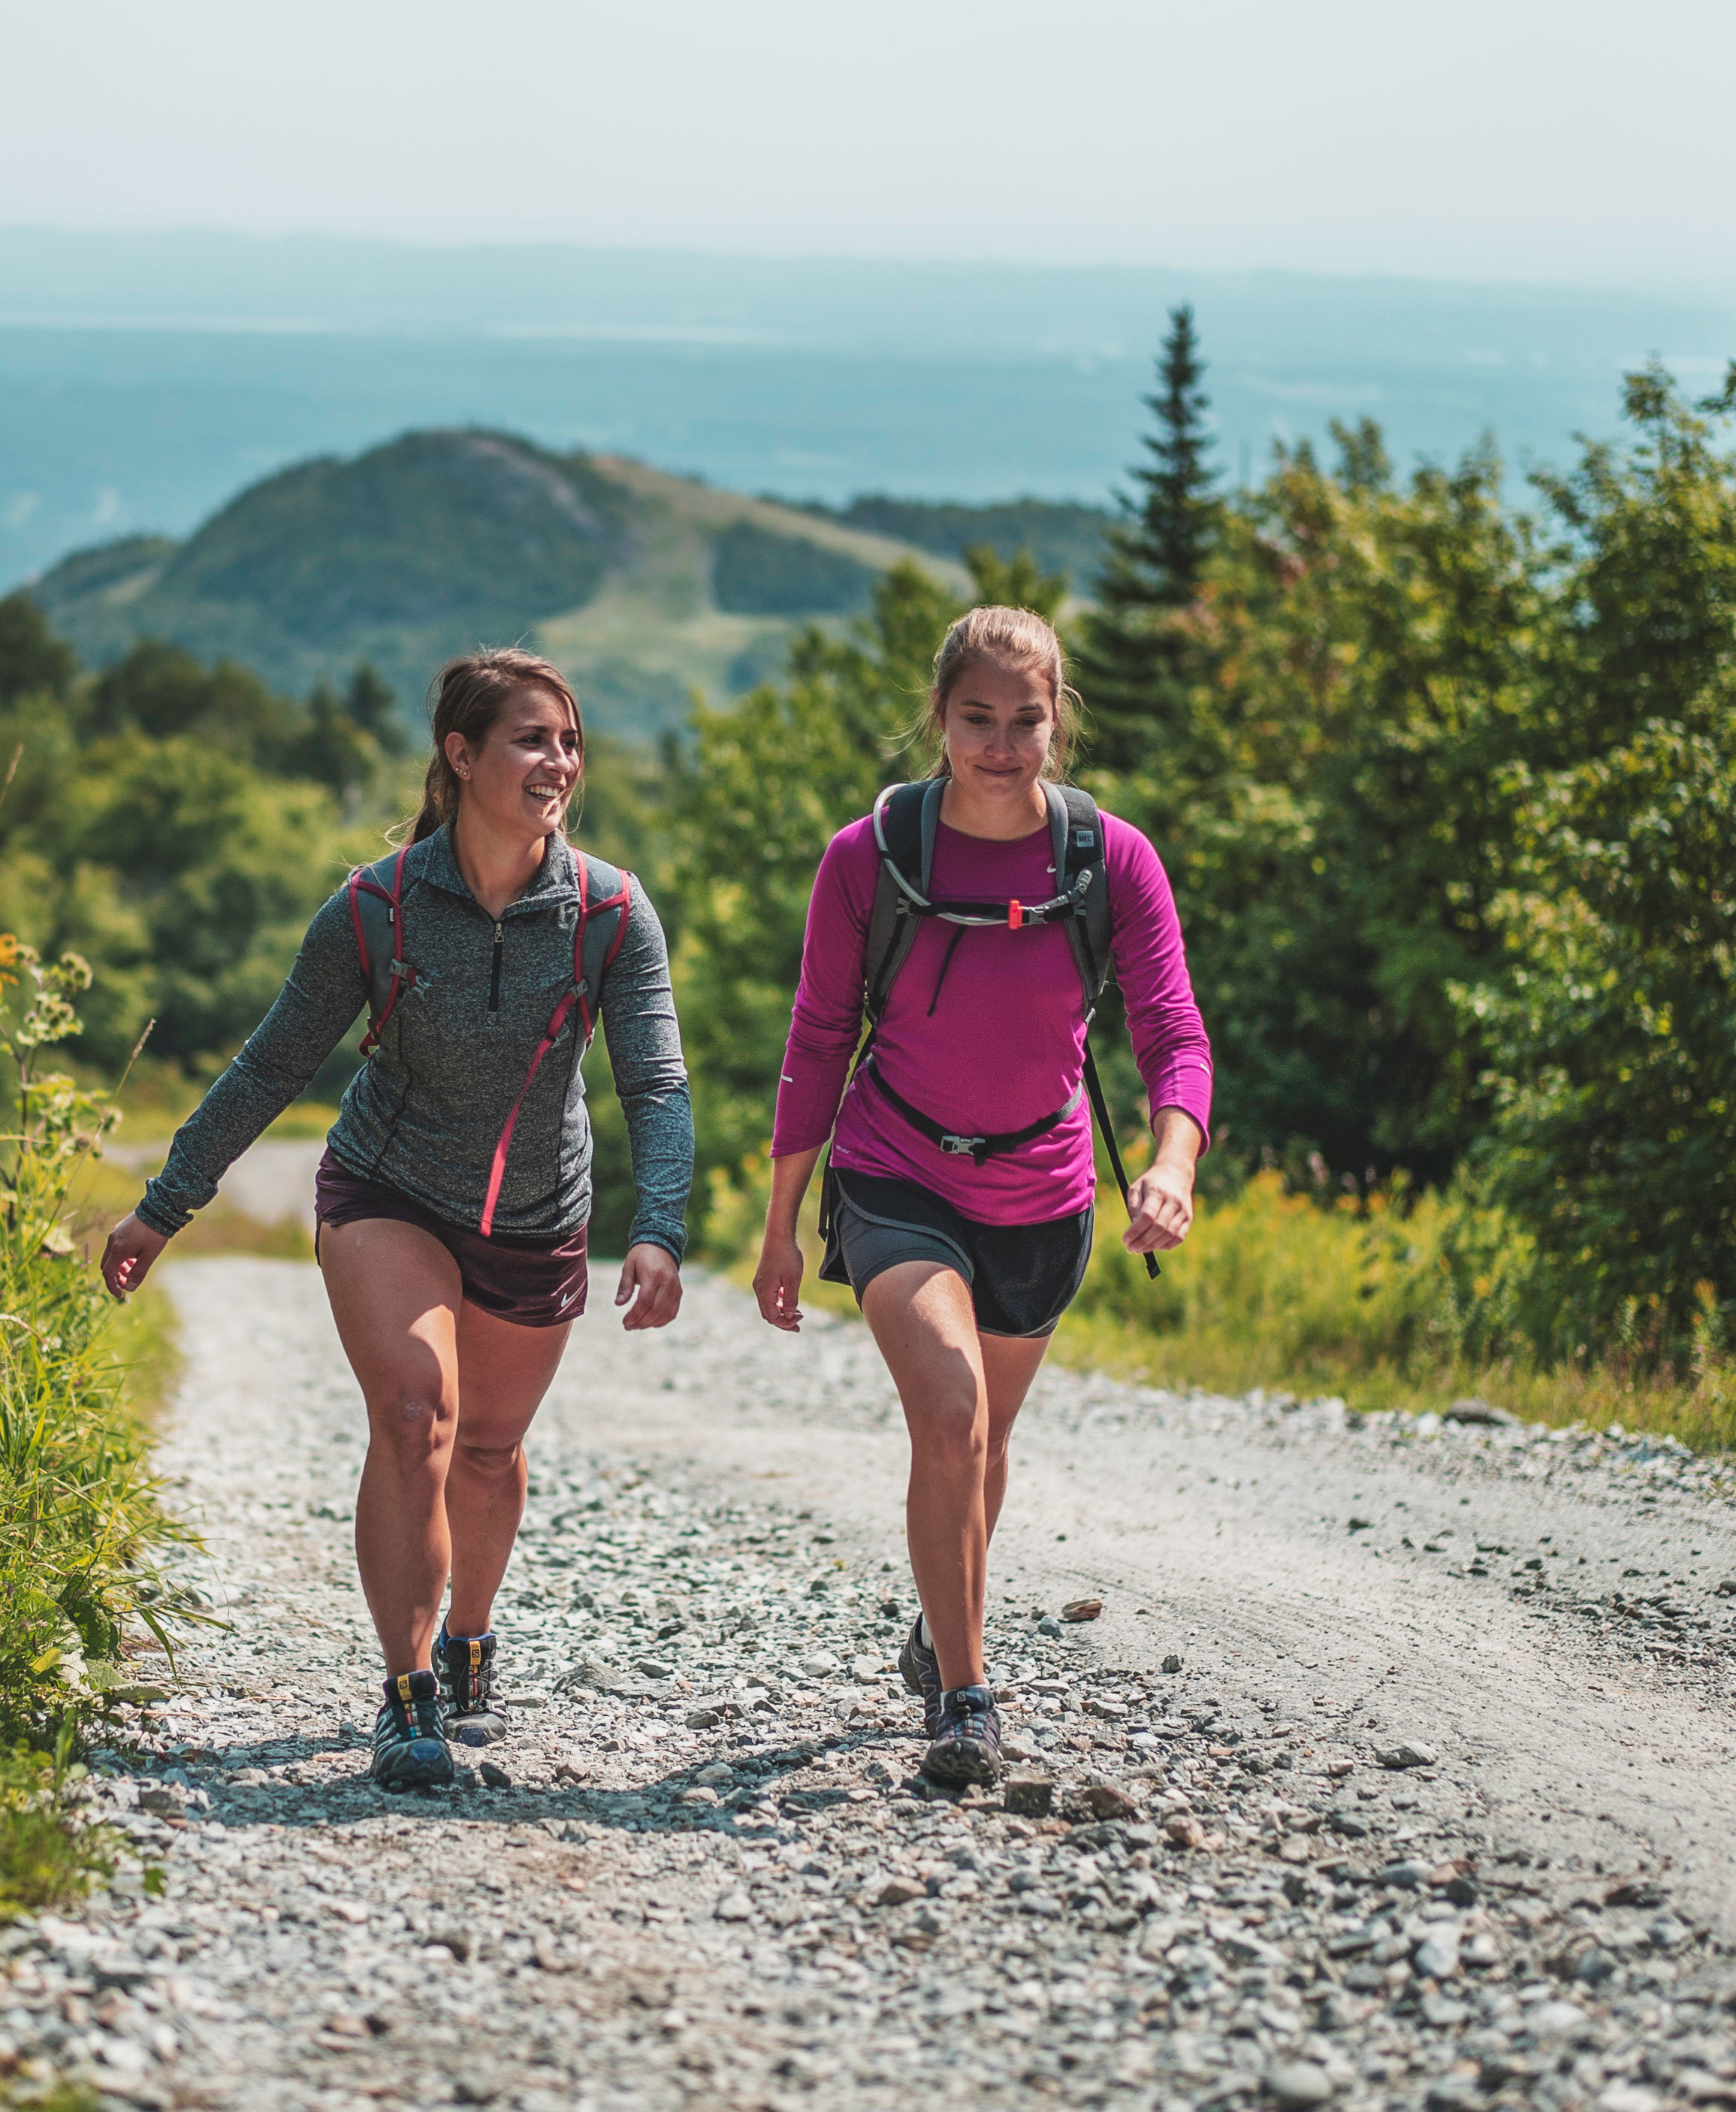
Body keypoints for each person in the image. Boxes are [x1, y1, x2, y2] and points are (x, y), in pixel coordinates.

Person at [101, 649, 693, 1792]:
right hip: (389, 1189)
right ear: (461, 757)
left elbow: (656, 1085)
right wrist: (162, 1207)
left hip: (538, 1211)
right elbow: (271, 1066)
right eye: (531, 739)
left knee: (488, 1449)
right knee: (419, 1416)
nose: (557, 761)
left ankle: (471, 1634)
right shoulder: (374, 911)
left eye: (569, 741)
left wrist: (657, 1224)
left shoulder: (612, 913)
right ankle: (407, 1685)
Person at [751, 606, 1211, 1789]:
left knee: (987, 1441)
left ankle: (937, 1622)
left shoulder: (1112, 861)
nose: (1002, 745)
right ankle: (966, 1695)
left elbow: (1172, 1029)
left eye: (1026, 720)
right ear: (940, 719)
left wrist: (1173, 1162)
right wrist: (781, 1227)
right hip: (896, 1169)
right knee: (951, 1413)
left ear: (1058, 722)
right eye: (977, 720)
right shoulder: (871, 857)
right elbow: (817, 1037)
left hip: (1045, 1190)